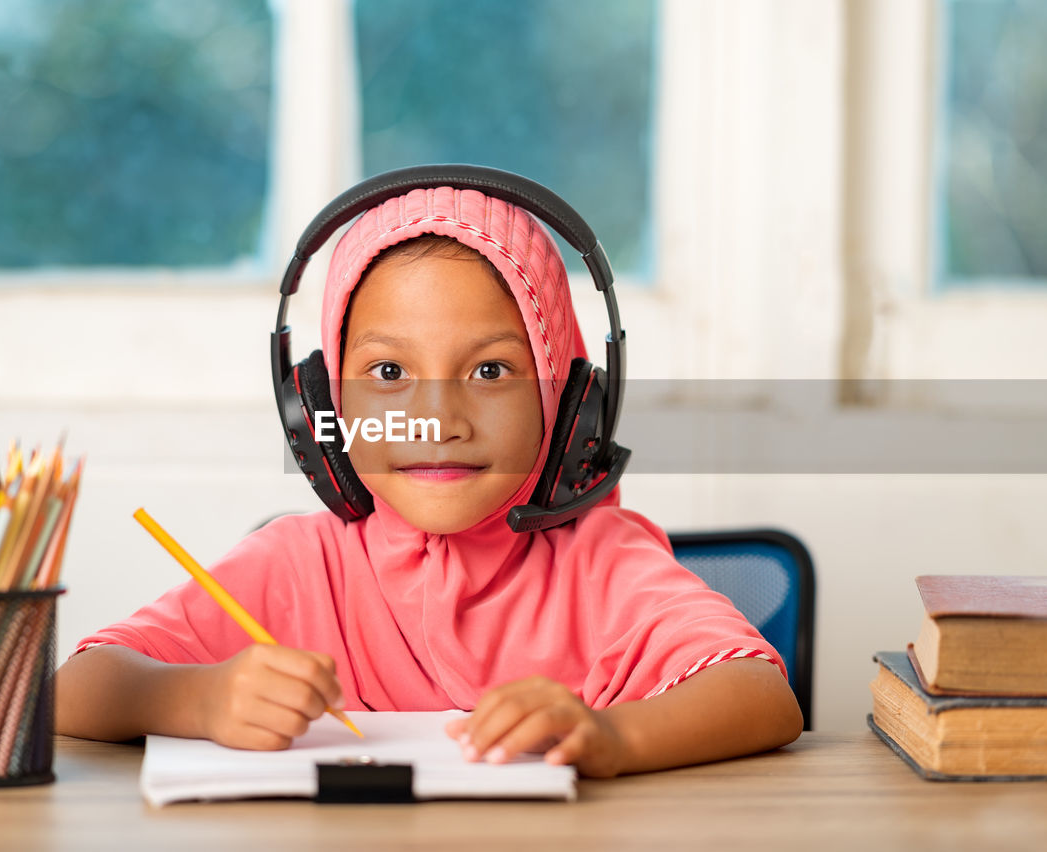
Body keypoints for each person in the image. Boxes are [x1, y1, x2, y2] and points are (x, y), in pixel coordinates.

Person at [55, 185, 803, 778]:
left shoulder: (602, 561)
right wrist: (197, 698)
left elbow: (764, 699)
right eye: (388, 373)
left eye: (490, 371)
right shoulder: (294, 564)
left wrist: (611, 737)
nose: (437, 419)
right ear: (321, 408)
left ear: (569, 407)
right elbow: (74, 688)